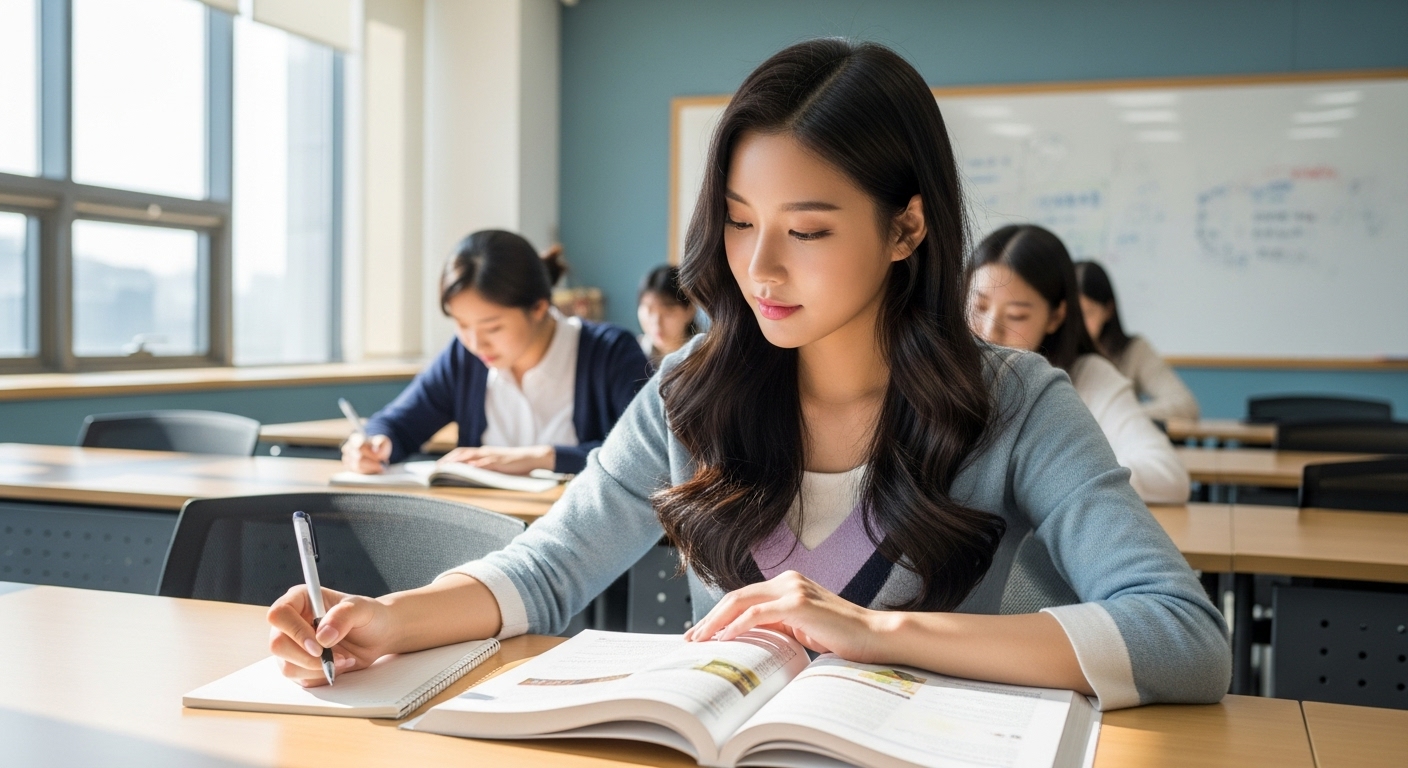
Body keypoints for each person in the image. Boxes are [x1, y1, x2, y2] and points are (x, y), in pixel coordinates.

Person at [271, 39, 1228, 710]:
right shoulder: (698, 385)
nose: (759, 267)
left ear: (907, 227)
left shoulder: (1015, 401)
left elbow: (1183, 638)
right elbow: (553, 565)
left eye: (807, 231)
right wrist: (390, 620)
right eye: (738, 220)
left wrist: (875, 631)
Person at [344, 231, 651, 476]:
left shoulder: (611, 353)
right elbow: (398, 424)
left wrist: (540, 458)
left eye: (492, 328)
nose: (476, 343)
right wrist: (373, 443)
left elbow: (645, 455)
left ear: (539, 308)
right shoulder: (464, 358)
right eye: (462, 325)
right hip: (486, 533)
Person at [967, 225, 1191, 504]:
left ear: (1056, 317)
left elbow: (1169, 477)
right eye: (978, 307)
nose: (989, 332)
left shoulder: (1087, 377)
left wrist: (1059, 479)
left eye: (1016, 315)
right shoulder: (936, 368)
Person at [1076, 260, 1200, 421]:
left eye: (1088, 313)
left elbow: (1185, 405)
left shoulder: (1133, 350)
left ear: (1108, 310)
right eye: (1073, 314)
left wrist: (1122, 416)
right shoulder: (1049, 352)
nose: (1078, 324)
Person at [636, 264, 700, 369]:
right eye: (649, 310)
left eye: (668, 312)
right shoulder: (633, 353)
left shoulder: (703, 356)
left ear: (690, 310)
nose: (657, 322)